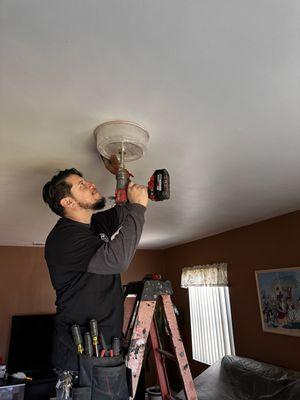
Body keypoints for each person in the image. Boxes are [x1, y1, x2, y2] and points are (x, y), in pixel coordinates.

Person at [42, 158, 148, 397]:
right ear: (67, 202)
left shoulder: (94, 224)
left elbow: (122, 211)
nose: (90, 184)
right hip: (79, 357)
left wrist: (122, 177)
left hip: (103, 348)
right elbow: (117, 261)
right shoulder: (62, 239)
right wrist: (140, 208)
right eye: (81, 184)